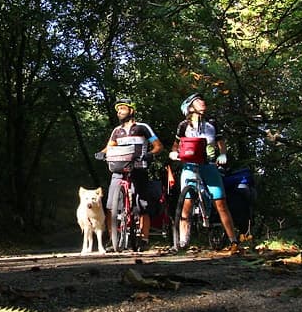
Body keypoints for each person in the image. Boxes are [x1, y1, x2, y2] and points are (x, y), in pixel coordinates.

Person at [168, 92, 240, 250]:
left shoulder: (212, 123)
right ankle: (181, 242)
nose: (203, 102)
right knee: (186, 203)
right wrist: (174, 152)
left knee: (220, 203)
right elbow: (176, 144)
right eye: (198, 100)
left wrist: (222, 154)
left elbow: (220, 142)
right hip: (189, 165)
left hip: (209, 166)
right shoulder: (183, 126)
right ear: (190, 107)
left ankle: (233, 240)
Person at [97, 97, 164, 251]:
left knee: (142, 206)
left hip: (139, 168)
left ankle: (144, 239)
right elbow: (109, 147)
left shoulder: (142, 128)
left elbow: (158, 145)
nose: (119, 111)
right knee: (110, 206)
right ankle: (113, 238)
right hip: (119, 169)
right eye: (118, 109)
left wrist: (151, 154)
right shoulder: (117, 131)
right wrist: (101, 153)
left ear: (131, 110)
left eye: (123, 108)